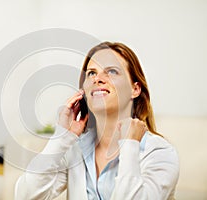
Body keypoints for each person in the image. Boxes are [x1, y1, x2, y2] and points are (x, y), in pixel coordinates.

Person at [15, 42, 179, 200]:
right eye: (91, 73)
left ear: (134, 89)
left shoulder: (159, 152)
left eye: (112, 71)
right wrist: (62, 137)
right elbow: (25, 196)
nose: (97, 79)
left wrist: (130, 145)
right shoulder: (76, 150)